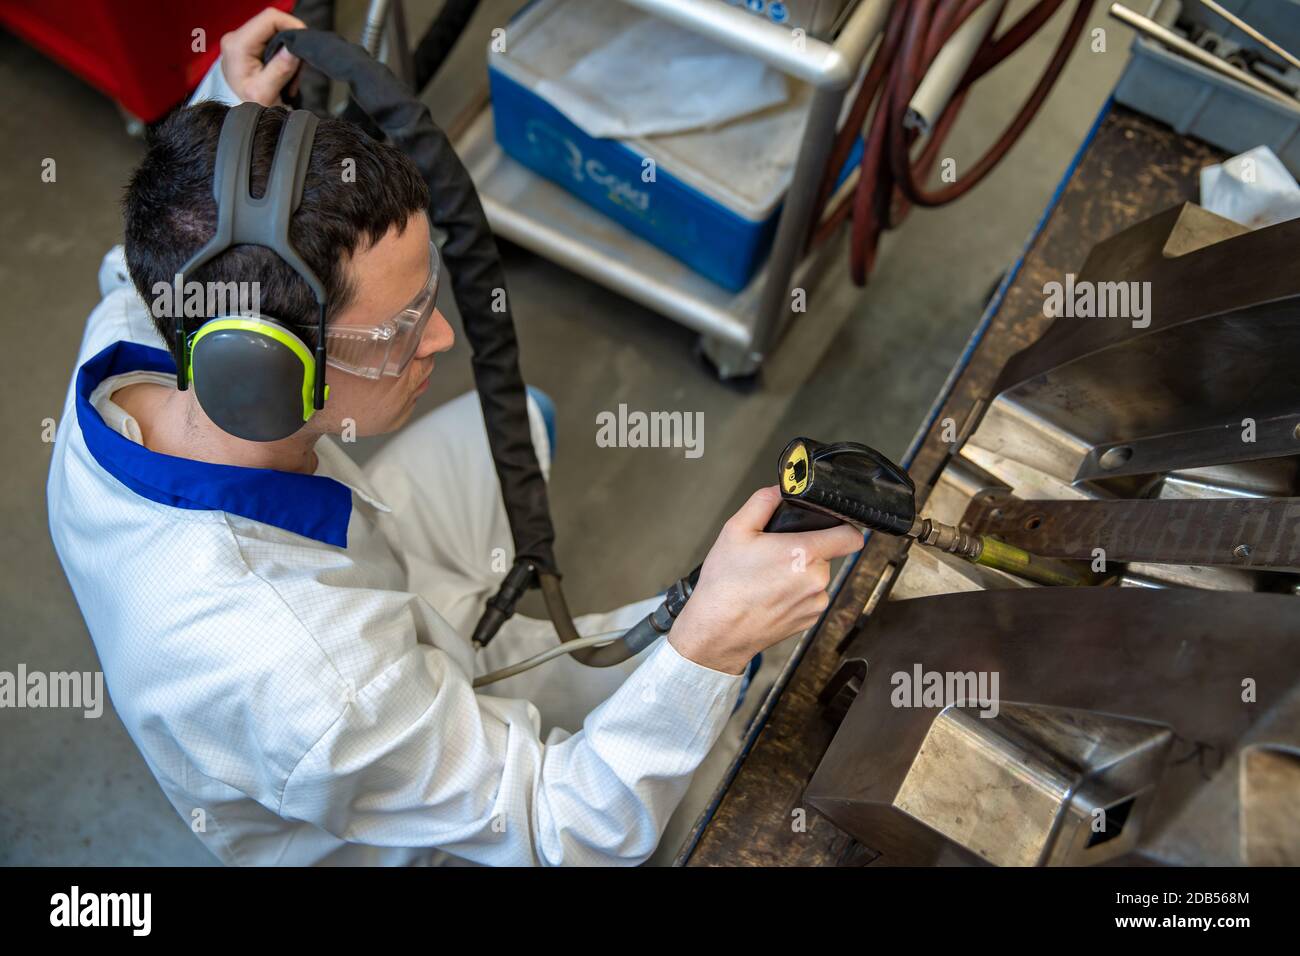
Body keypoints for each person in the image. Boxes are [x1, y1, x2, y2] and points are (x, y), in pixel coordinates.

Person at [46, 7, 861, 865]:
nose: (440, 338)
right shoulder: (306, 675)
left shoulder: (138, 340)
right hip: (382, 775)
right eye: (399, 326)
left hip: (358, 561)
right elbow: (561, 828)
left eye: (426, 287)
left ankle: (482, 649)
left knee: (521, 425)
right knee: (717, 739)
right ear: (259, 376)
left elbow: (140, 263)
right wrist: (711, 648)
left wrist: (232, 117)